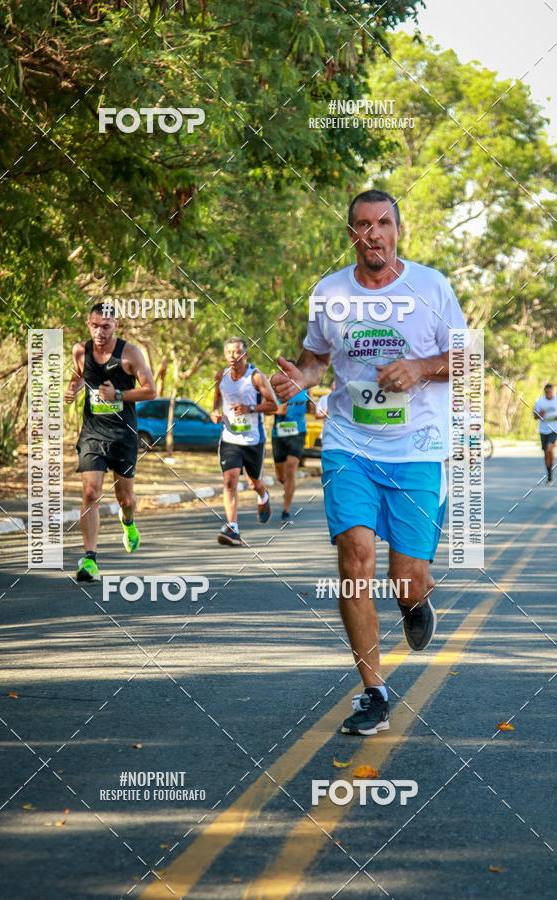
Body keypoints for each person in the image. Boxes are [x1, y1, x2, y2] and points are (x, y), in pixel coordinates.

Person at [272, 188, 467, 736]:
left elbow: (467, 360)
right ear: (351, 233)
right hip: (349, 445)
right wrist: (299, 379)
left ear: (397, 230)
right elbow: (315, 361)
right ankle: (374, 692)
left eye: (383, 223)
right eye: (362, 225)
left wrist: (422, 367)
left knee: (406, 579)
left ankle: (414, 602)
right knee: (355, 557)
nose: (373, 233)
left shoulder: (431, 287)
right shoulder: (330, 292)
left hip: (418, 451)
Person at [65, 302, 157, 581]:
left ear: (116, 326)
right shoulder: (80, 351)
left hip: (123, 435)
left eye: (106, 326)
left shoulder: (130, 354)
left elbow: (150, 391)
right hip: (93, 433)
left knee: (125, 499)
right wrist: (72, 388)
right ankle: (90, 559)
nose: (100, 331)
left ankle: (128, 521)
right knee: (91, 492)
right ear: (88, 323)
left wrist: (117, 395)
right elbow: (81, 375)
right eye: (95, 325)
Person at [211, 337, 278, 545]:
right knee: (229, 481)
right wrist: (215, 412)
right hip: (230, 438)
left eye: (237, 352)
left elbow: (273, 405)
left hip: (253, 440)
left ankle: (263, 495)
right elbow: (217, 399)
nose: (233, 356)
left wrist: (250, 408)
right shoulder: (221, 375)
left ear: (245, 355)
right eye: (229, 352)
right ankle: (233, 529)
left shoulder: (256, 377)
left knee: (252, 482)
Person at [271, 377, 315, 523]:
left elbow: (313, 410)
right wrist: (277, 410)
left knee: (291, 470)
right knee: (280, 476)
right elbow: (266, 409)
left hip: (298, 433)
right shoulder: (277, 389)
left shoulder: (304, 389)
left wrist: (312, 399)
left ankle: (286, 511)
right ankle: (288, 489)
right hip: (279, 434)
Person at [533, 383, 557, 483]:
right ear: (544, 392)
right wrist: (540, 414)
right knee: (546, 453)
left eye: (550, 392)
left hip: (554, 429)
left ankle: (550, 469)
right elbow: (534, 416)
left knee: (549, 449)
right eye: (546, 392)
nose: (548, 394)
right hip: (543, 430)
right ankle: (549, 473)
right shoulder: (539, 402)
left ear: (553, 391)